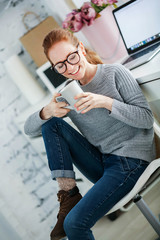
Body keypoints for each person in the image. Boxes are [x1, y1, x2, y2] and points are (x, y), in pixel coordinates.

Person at [24, 28, 156, 240]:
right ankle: (68, 195)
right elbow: (29, 130)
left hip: (132, 161)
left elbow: (146, 119)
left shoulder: (114, 73)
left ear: (81, 49)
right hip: (104, 164)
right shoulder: (69, 93)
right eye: (61, 65)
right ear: (56, 68)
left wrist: (105, 102)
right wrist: (47, 111)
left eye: (72, 57)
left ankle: (70, 206)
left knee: (74, 224)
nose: (70, 67)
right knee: (51, 124)